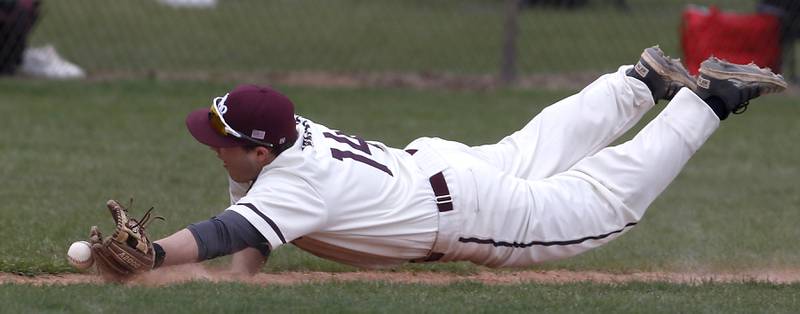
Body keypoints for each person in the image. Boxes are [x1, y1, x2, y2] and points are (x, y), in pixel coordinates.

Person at [88, 46, 787, 279]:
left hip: (465, 209)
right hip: (439, 169)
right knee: (534, 149)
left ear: (262, 147)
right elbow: (258, 224)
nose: (215, 151)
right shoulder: (290, 141)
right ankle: (637, 83)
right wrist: (241, 288)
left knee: (603, 205)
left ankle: (710, 100)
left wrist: (153, 259)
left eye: (223, 142)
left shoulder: (291, 176)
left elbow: (228, 230)